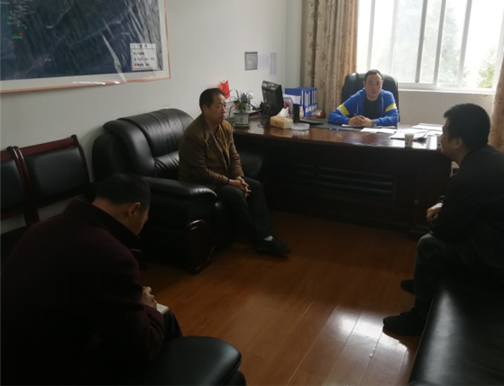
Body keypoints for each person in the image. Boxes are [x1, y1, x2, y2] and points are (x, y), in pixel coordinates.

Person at [383, 103, 504, 336]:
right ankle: (425, 281)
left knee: (429, 245)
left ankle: (421, 317)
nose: (441, 137)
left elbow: (444, 231)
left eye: (444, 132)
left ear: (457, 142)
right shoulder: (486, 157)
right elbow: (467, 196)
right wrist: (445, 205)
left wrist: (442, 214)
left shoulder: (470, 176)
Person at [1, 174, 182, 384]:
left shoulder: (41, 228)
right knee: (163, 320)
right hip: (54, 372)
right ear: (134, 210)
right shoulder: (112, 255)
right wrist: (148, 308)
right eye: (145, 218)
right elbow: (140, 351)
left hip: (13, 362)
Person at [178, 87, 290, 256]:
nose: (224, 110)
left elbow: (234, 155)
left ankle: (266, 236)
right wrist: (231, 183)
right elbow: (200, 172)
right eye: (219, 106)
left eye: (225, 105)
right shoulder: (194, 135)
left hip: (223, 176)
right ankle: (256, 240)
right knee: (235, 193)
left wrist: (239, 177)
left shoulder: (225, 127)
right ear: (205, 108)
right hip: (199, 183)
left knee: (255, 186)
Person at [328, 69, 399, 127]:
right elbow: (332, 116)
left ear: (382, 83)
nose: (374, 87)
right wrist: (348, 121)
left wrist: (372, 123)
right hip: (359, 136)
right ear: (364, 84)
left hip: (381, 137)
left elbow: (395, 118)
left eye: (378, 83)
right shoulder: (356, 98)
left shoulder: (387, 97)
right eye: (370, 84)